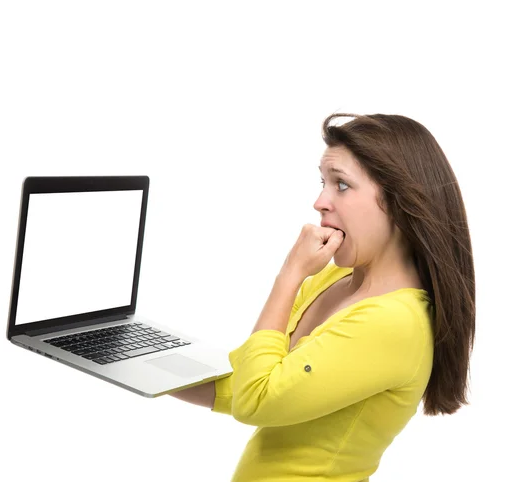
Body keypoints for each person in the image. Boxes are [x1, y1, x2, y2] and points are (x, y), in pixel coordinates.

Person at [169, 113, 476, 482]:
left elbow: (256, 399)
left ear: (399, 200)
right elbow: (250, 379)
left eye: (341, 185)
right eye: (323, 182)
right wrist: (136, 365)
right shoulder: (336, 277)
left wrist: (289, 275)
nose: (320, 201)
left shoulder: (393, 322)